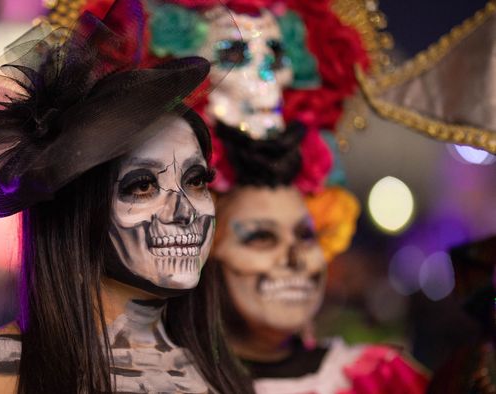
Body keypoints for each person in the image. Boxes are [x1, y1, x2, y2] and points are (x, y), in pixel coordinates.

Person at [0, 0, 252, 392]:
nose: (185, 210)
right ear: (78, 210)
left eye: (197, 180)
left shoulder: (221, 378)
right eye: (142, 185)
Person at [143, 0, 429, 392]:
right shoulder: (148, 383)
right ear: (200, 252)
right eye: (261, 237)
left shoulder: (380, 381)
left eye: (307, 235)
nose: (296, 259)